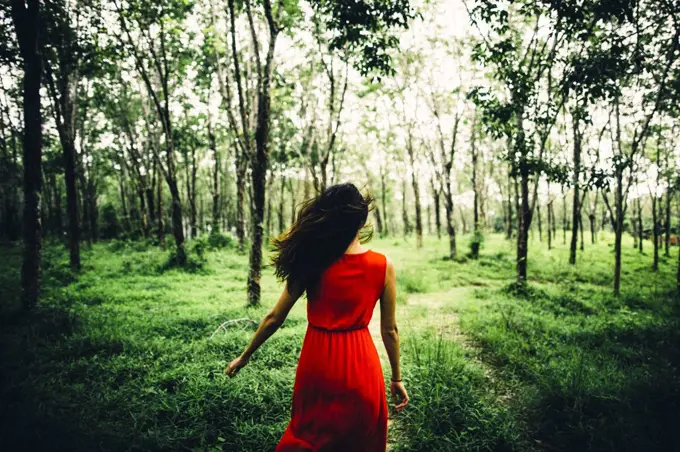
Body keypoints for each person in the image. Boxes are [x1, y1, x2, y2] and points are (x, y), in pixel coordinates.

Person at [225, 182, 408, 451]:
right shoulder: (383, 266)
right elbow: (389, 330)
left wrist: (245, 356)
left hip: (318, 362)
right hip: (362, 365)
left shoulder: (313, 260)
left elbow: (275, 317)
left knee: (310, 434)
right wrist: (396, 378)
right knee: (360, 439)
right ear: (361, 219)